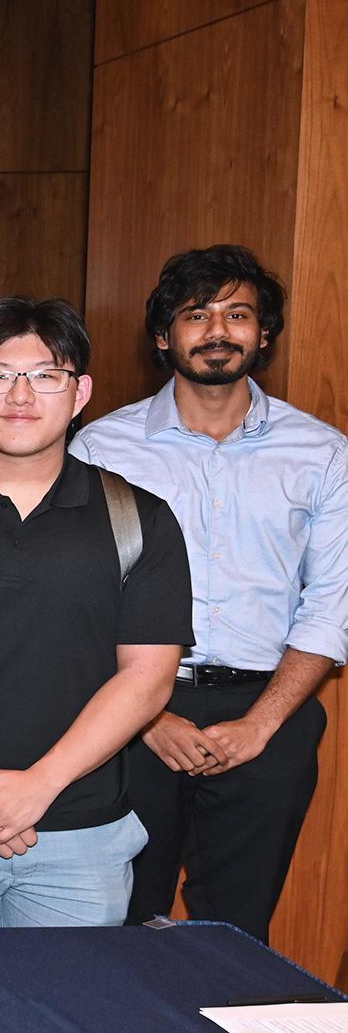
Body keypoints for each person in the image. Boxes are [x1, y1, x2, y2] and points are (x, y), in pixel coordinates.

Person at [0, 298, 192, 927]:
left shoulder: (140, 519)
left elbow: (147, 678)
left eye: (46, 375)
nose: (20, 395)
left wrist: (39, 786)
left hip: (83, 831)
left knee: (66, 1018)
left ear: (81, 394)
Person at [74, 246, 348, 943]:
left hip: (270, 714)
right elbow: (80, 603)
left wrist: (261, 724)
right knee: (121, 923)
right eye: (196, 314)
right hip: (131, 714)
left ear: (264, 334)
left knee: (236, 933)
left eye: (238, 314)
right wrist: (147, 719)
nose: (218, 330)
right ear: (164, 335)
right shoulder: (101, 449)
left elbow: (334, 600)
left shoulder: (322, 452)